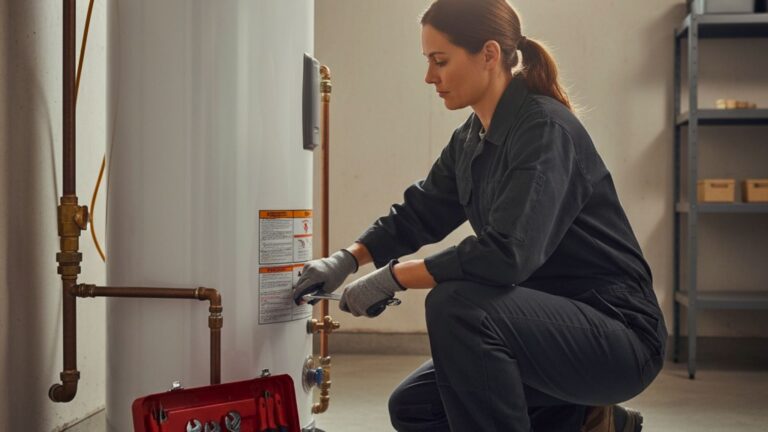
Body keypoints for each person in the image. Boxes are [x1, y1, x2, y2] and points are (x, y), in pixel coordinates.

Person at [293, 0, 666, 430]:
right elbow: (418, 213)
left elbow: (507, 254)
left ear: (488, 55)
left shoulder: (545, 130)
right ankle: (585, 420)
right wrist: (346, 259)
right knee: (416, 408)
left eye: (440, 61)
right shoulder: (471, 138)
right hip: (542, 334)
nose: (429, 76)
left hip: (616, 339)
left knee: (458, 305)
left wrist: (394, 277)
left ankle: (581, 410)